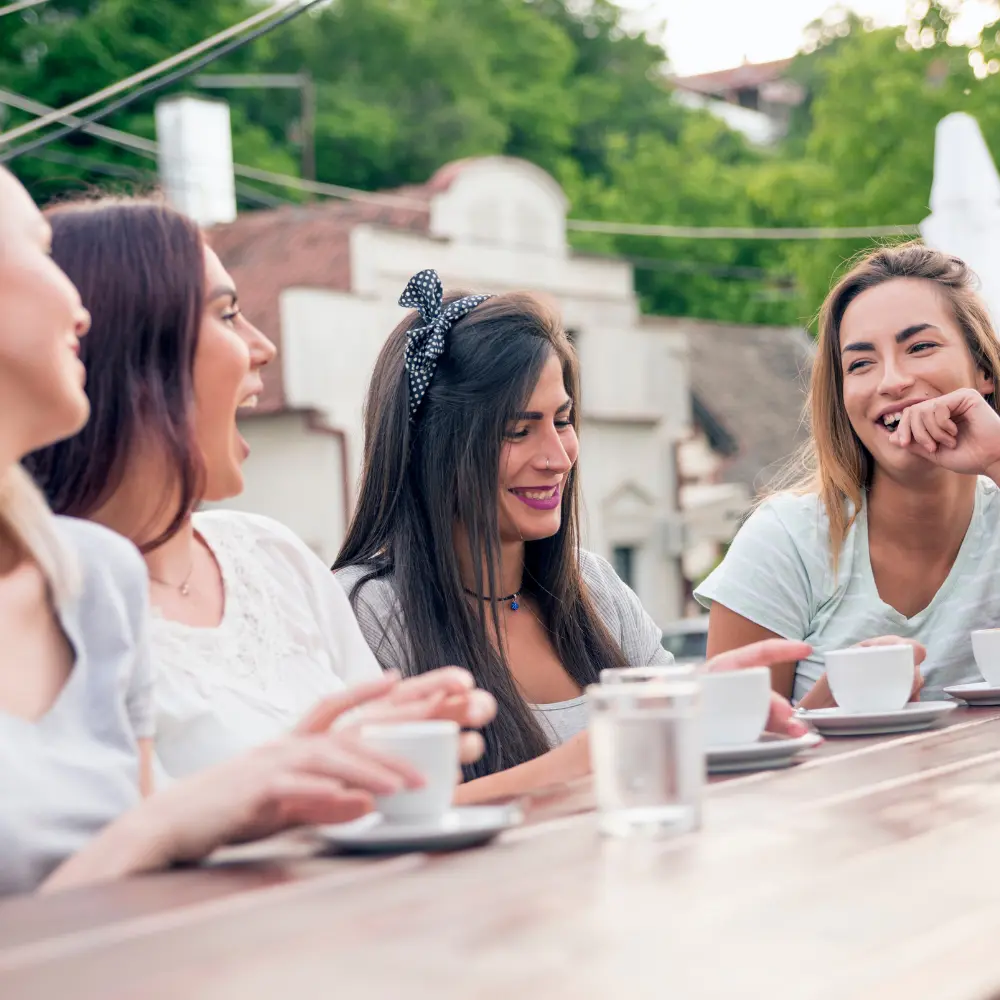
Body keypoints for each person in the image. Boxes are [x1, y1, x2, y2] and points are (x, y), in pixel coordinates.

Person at [0, 167, 468, 896]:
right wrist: (225, 803)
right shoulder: (98, 579)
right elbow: (147, 855)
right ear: (139, 351)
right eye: (224, 314)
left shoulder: (106, 577)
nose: (261, 347)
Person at [334, 269, 813, 801]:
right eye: (518, 430)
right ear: (433, 447)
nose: (557, 458)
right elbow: (374, 814)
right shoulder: (364, 611)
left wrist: (791, 705)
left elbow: (680, 749)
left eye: (562, 421)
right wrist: (598, 754)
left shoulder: (593, 587)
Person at [696, 243, 1000, 707]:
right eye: (860, 363)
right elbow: (724, 754)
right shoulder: (787, 541)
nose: (891, 381)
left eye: (920, 347)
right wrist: (824, 711)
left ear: (983, 370)